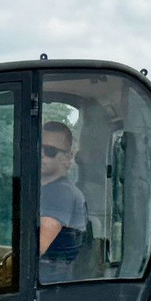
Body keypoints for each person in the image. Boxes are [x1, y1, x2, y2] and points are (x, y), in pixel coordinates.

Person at [39, 120, 88, 283]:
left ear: (67, 157)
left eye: (50, 150)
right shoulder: (45, 191)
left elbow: (34, 248)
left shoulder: (60, 193)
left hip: (48, 289)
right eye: (39, 146)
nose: (41, 153)